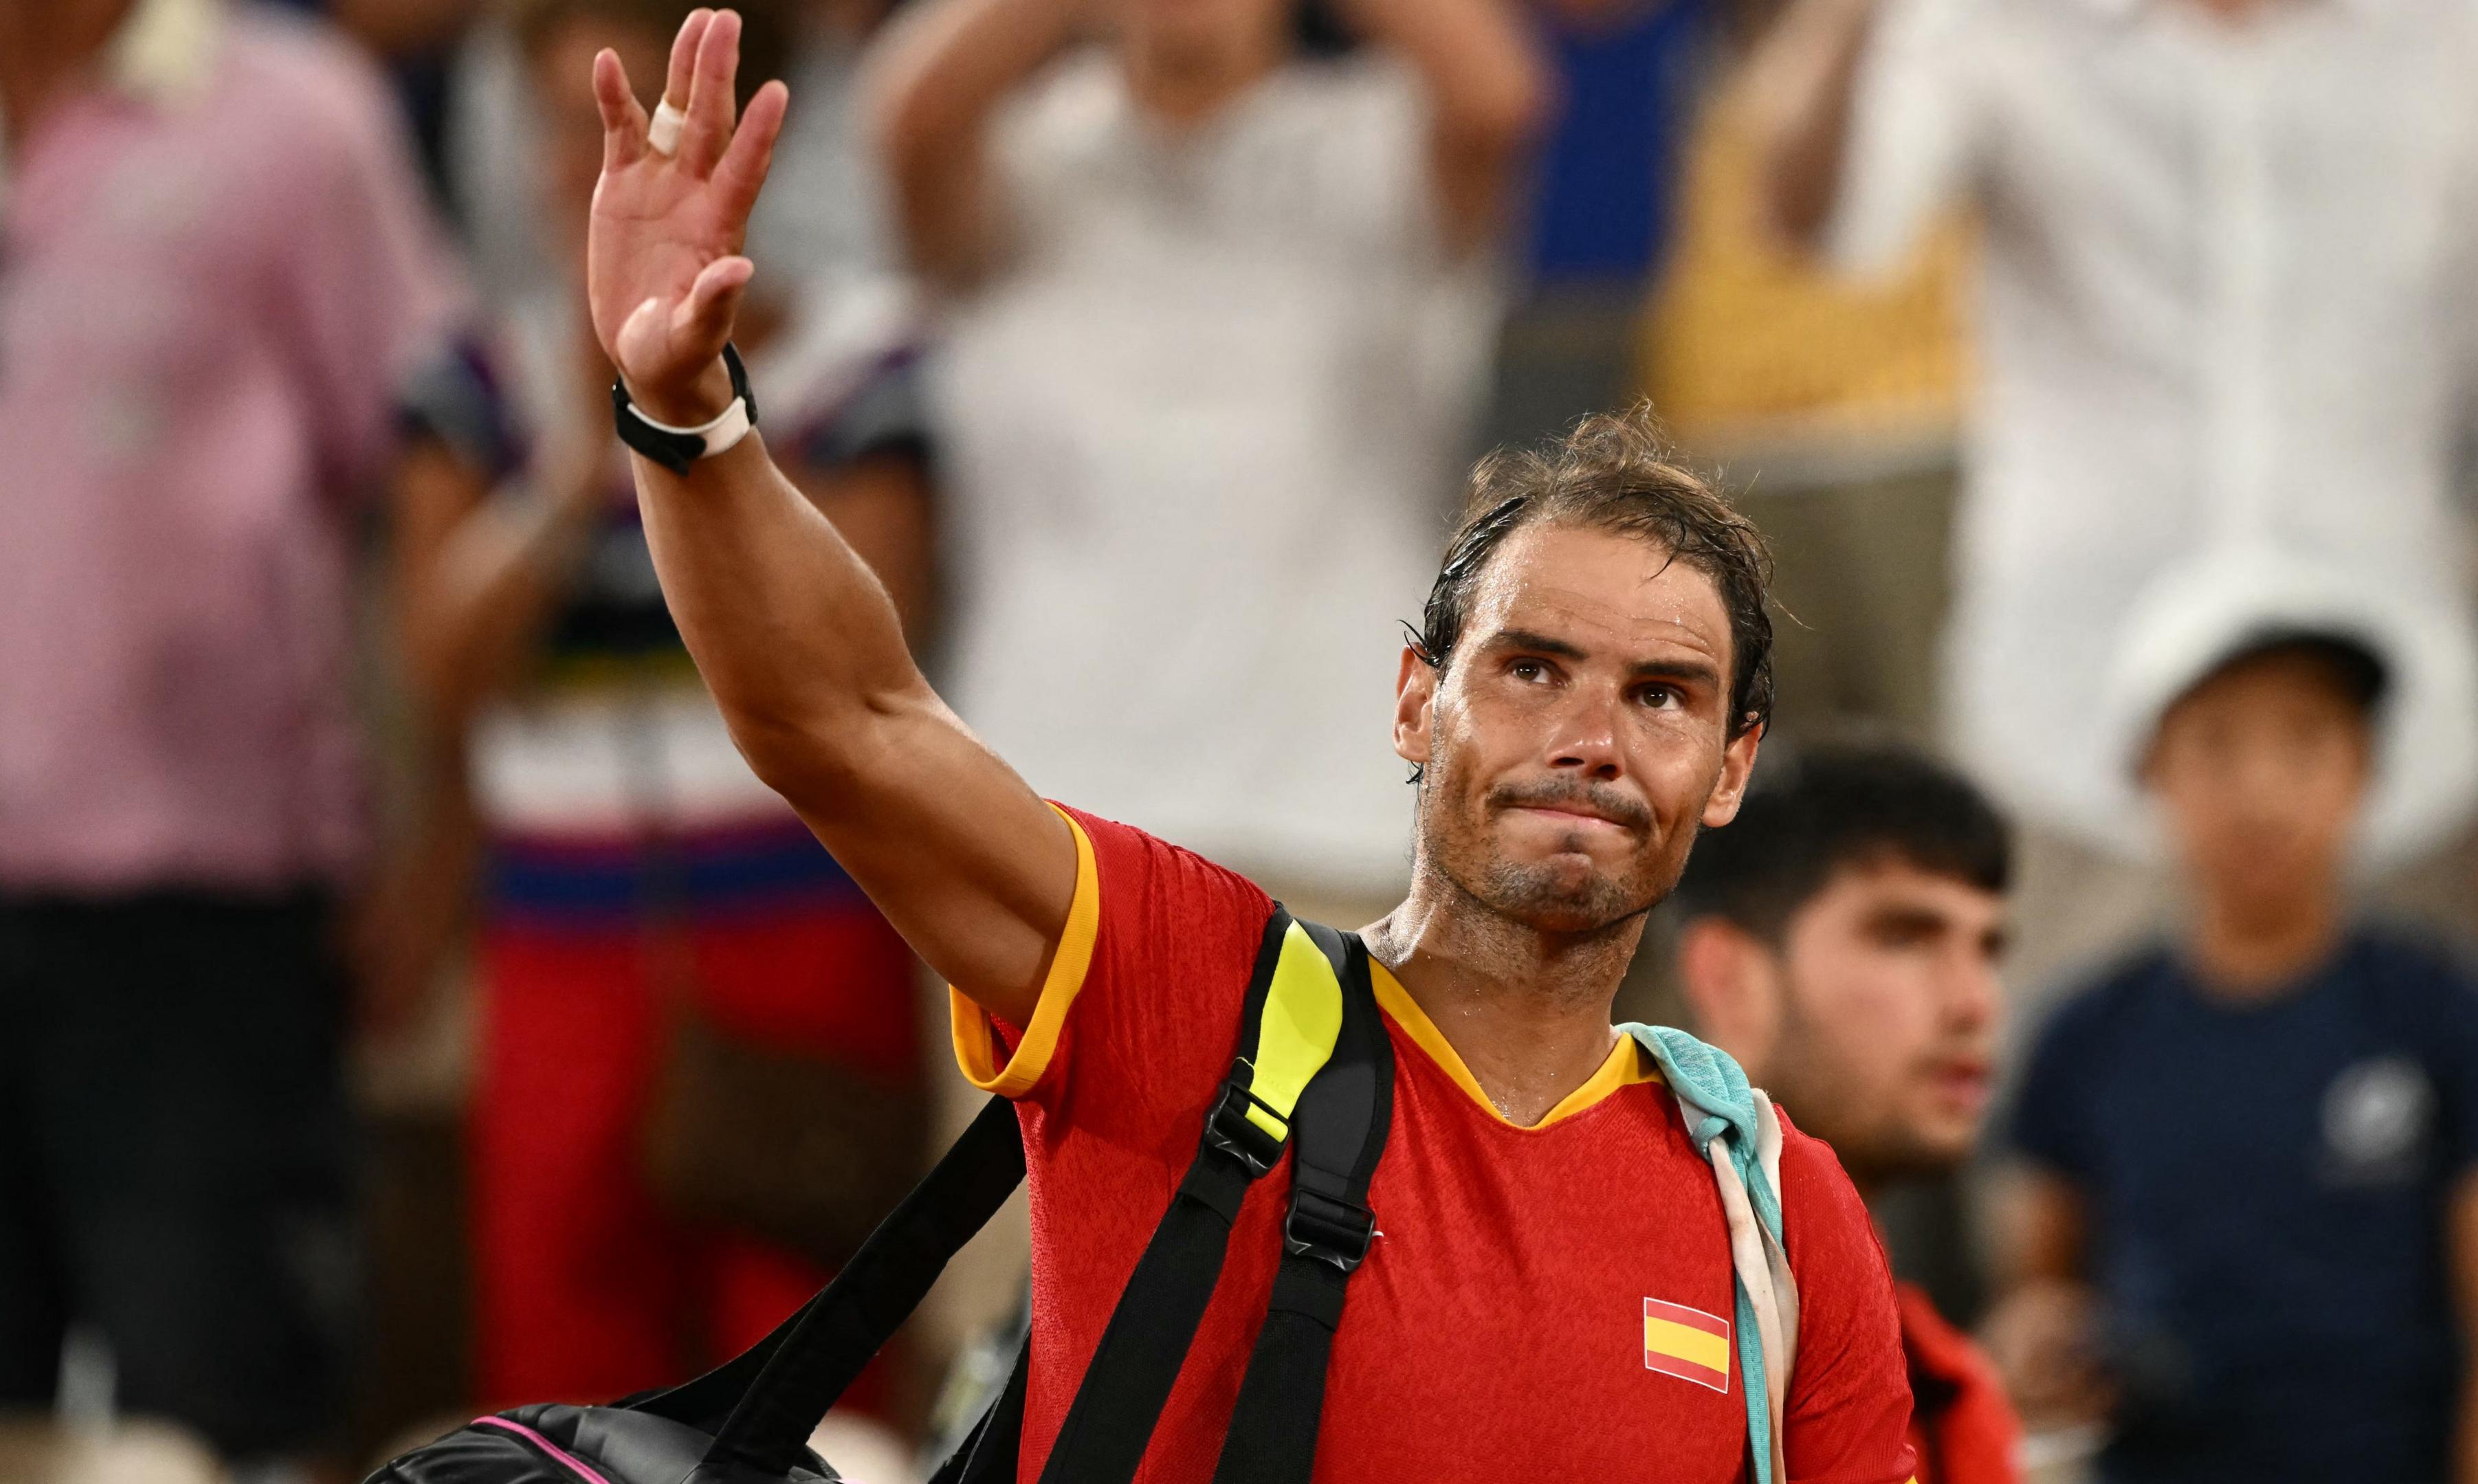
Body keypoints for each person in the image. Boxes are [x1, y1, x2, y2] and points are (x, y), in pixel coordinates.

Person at [578, 11, 1918, 1478]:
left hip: (1309, 815)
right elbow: (842, 720)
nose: (1591, 735)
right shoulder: (1173, 987)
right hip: (1129, 824)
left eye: (1663, 693)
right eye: (1530, 667)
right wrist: (688, 416)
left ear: (1734, 764)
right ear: (1415, 697)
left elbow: (1495, 94)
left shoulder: (1776, 1207)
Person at [1742, 0, 2478, 993]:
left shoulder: (2460, 30)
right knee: (2053, 1139)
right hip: (2077, 763)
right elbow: (1815, 227)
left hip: (2398, 763)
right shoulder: (1995, 22)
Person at [390, 0, 935, 1410]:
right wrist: (583, 455)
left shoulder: (857, 364)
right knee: (565, 1357)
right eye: (567, 125)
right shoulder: (474, 379)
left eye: (637, 124)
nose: (594, 162)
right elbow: (439, 664)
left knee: (825, 1356)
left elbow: (871, 653)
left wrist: (688, 413)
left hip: (813, 910)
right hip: (560, 927)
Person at [0, 0, 458, 1468]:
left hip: (205, 901)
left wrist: (442, 835)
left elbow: (436, 455)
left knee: (220, 1418)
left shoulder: (298, 119)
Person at [867, 0, 1548, 919]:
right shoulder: (1018, 163)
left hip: (1340, 813)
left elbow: (1498, 97)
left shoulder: (1375, 142)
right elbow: (907, 112)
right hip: (1045, 822)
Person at [1995, 628, 2478, 1484]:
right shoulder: (2084, 1032)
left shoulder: (2450, 1015)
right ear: (2150, 769)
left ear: (2365, 769)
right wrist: (2038, 1350)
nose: (2261, 788)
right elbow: (2040, 1293)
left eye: (2305, 736)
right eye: (2218, 741)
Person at [1673, 743, 2022, 1484]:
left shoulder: (1954, 1386)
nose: (1976, 1002)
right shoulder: (1633, 1314)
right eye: (1905, 936)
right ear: (1729, 978)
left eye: (1988, 947)